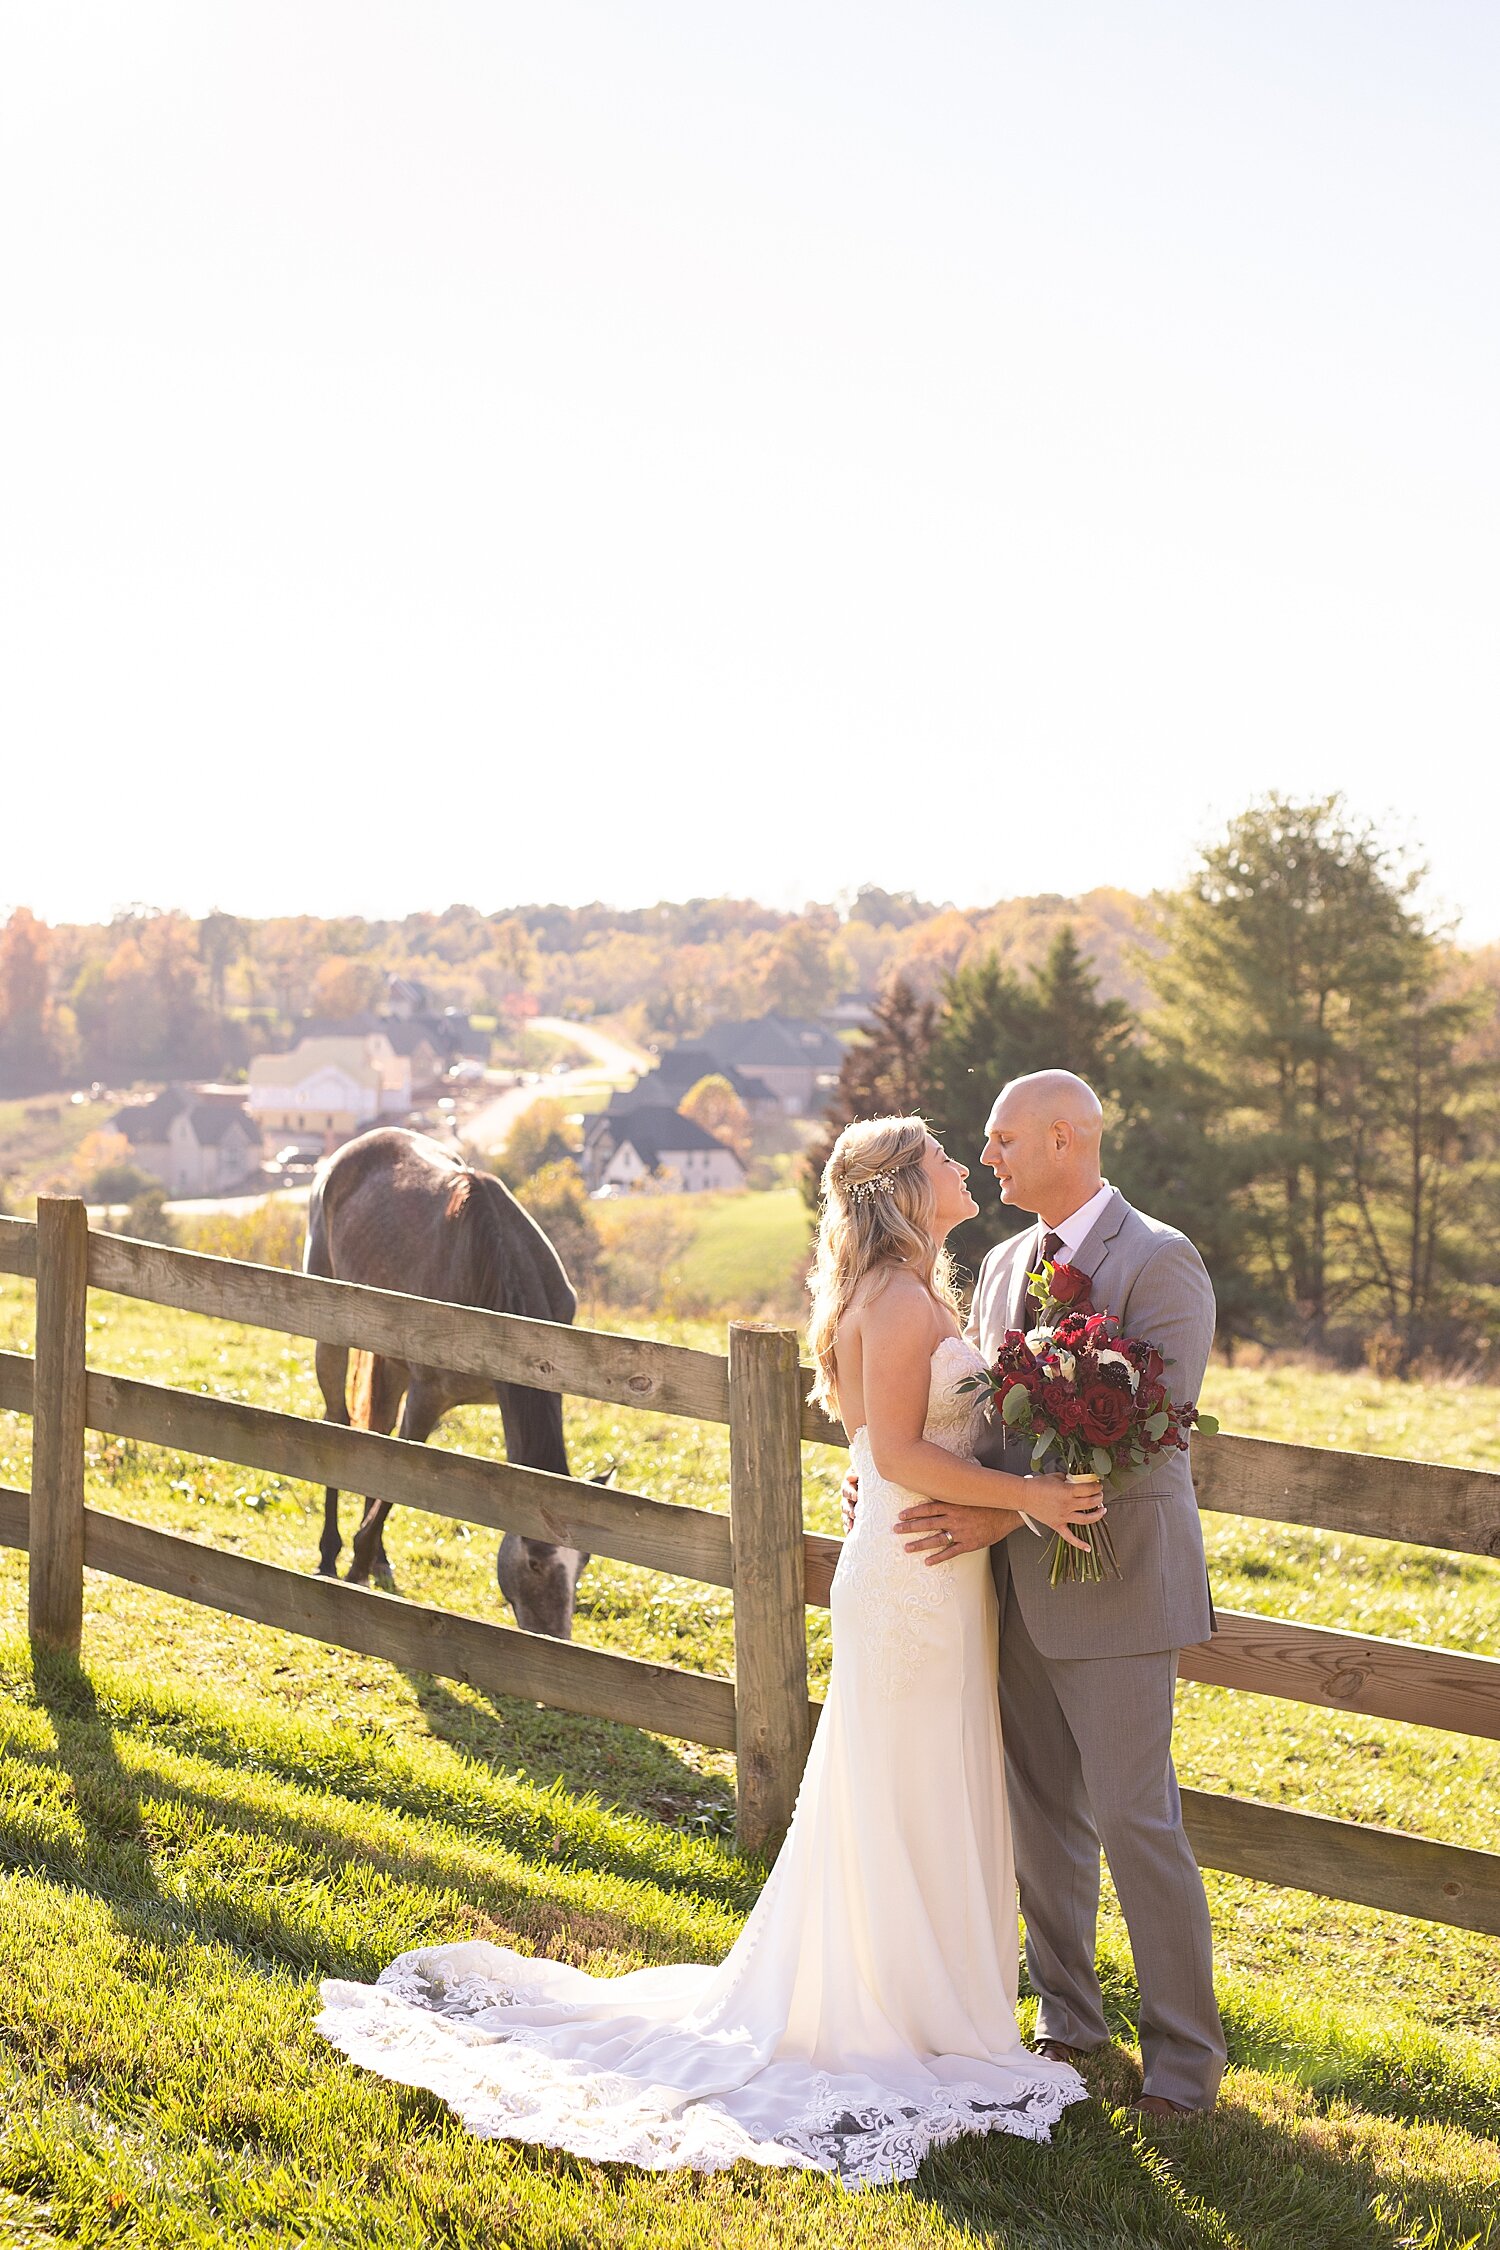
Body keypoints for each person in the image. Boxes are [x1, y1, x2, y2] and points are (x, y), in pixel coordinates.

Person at [315, 1113, 1102, 2189]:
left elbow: (881, 1448)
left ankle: (921, 1995)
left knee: (911, 1780)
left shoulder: (900, 1293)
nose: (964, 1167)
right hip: (920, 1576)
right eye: (942, 1160)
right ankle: (907, 2008)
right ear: (902, 1192)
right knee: (908, 1780)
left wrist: (963, 1489)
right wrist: (1031, 1497)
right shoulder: (905, 1300)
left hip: (918, 1566)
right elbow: (907, 1447)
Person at [847, 1072, 1227, 2117]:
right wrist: (887, 1473)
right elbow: (983, 1421)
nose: (992, 1157)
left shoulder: (1161, 1262)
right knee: (1042, 1819)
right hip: (1010, 1592)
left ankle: (1187, 2066)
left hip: (1118, 1591)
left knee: (1135, 1820)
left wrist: (1001, 1512)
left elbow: (1152, 1443)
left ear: (1068, 1137)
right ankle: (1070, 2024)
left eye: (1007, 1140)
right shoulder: (1006, 1262)